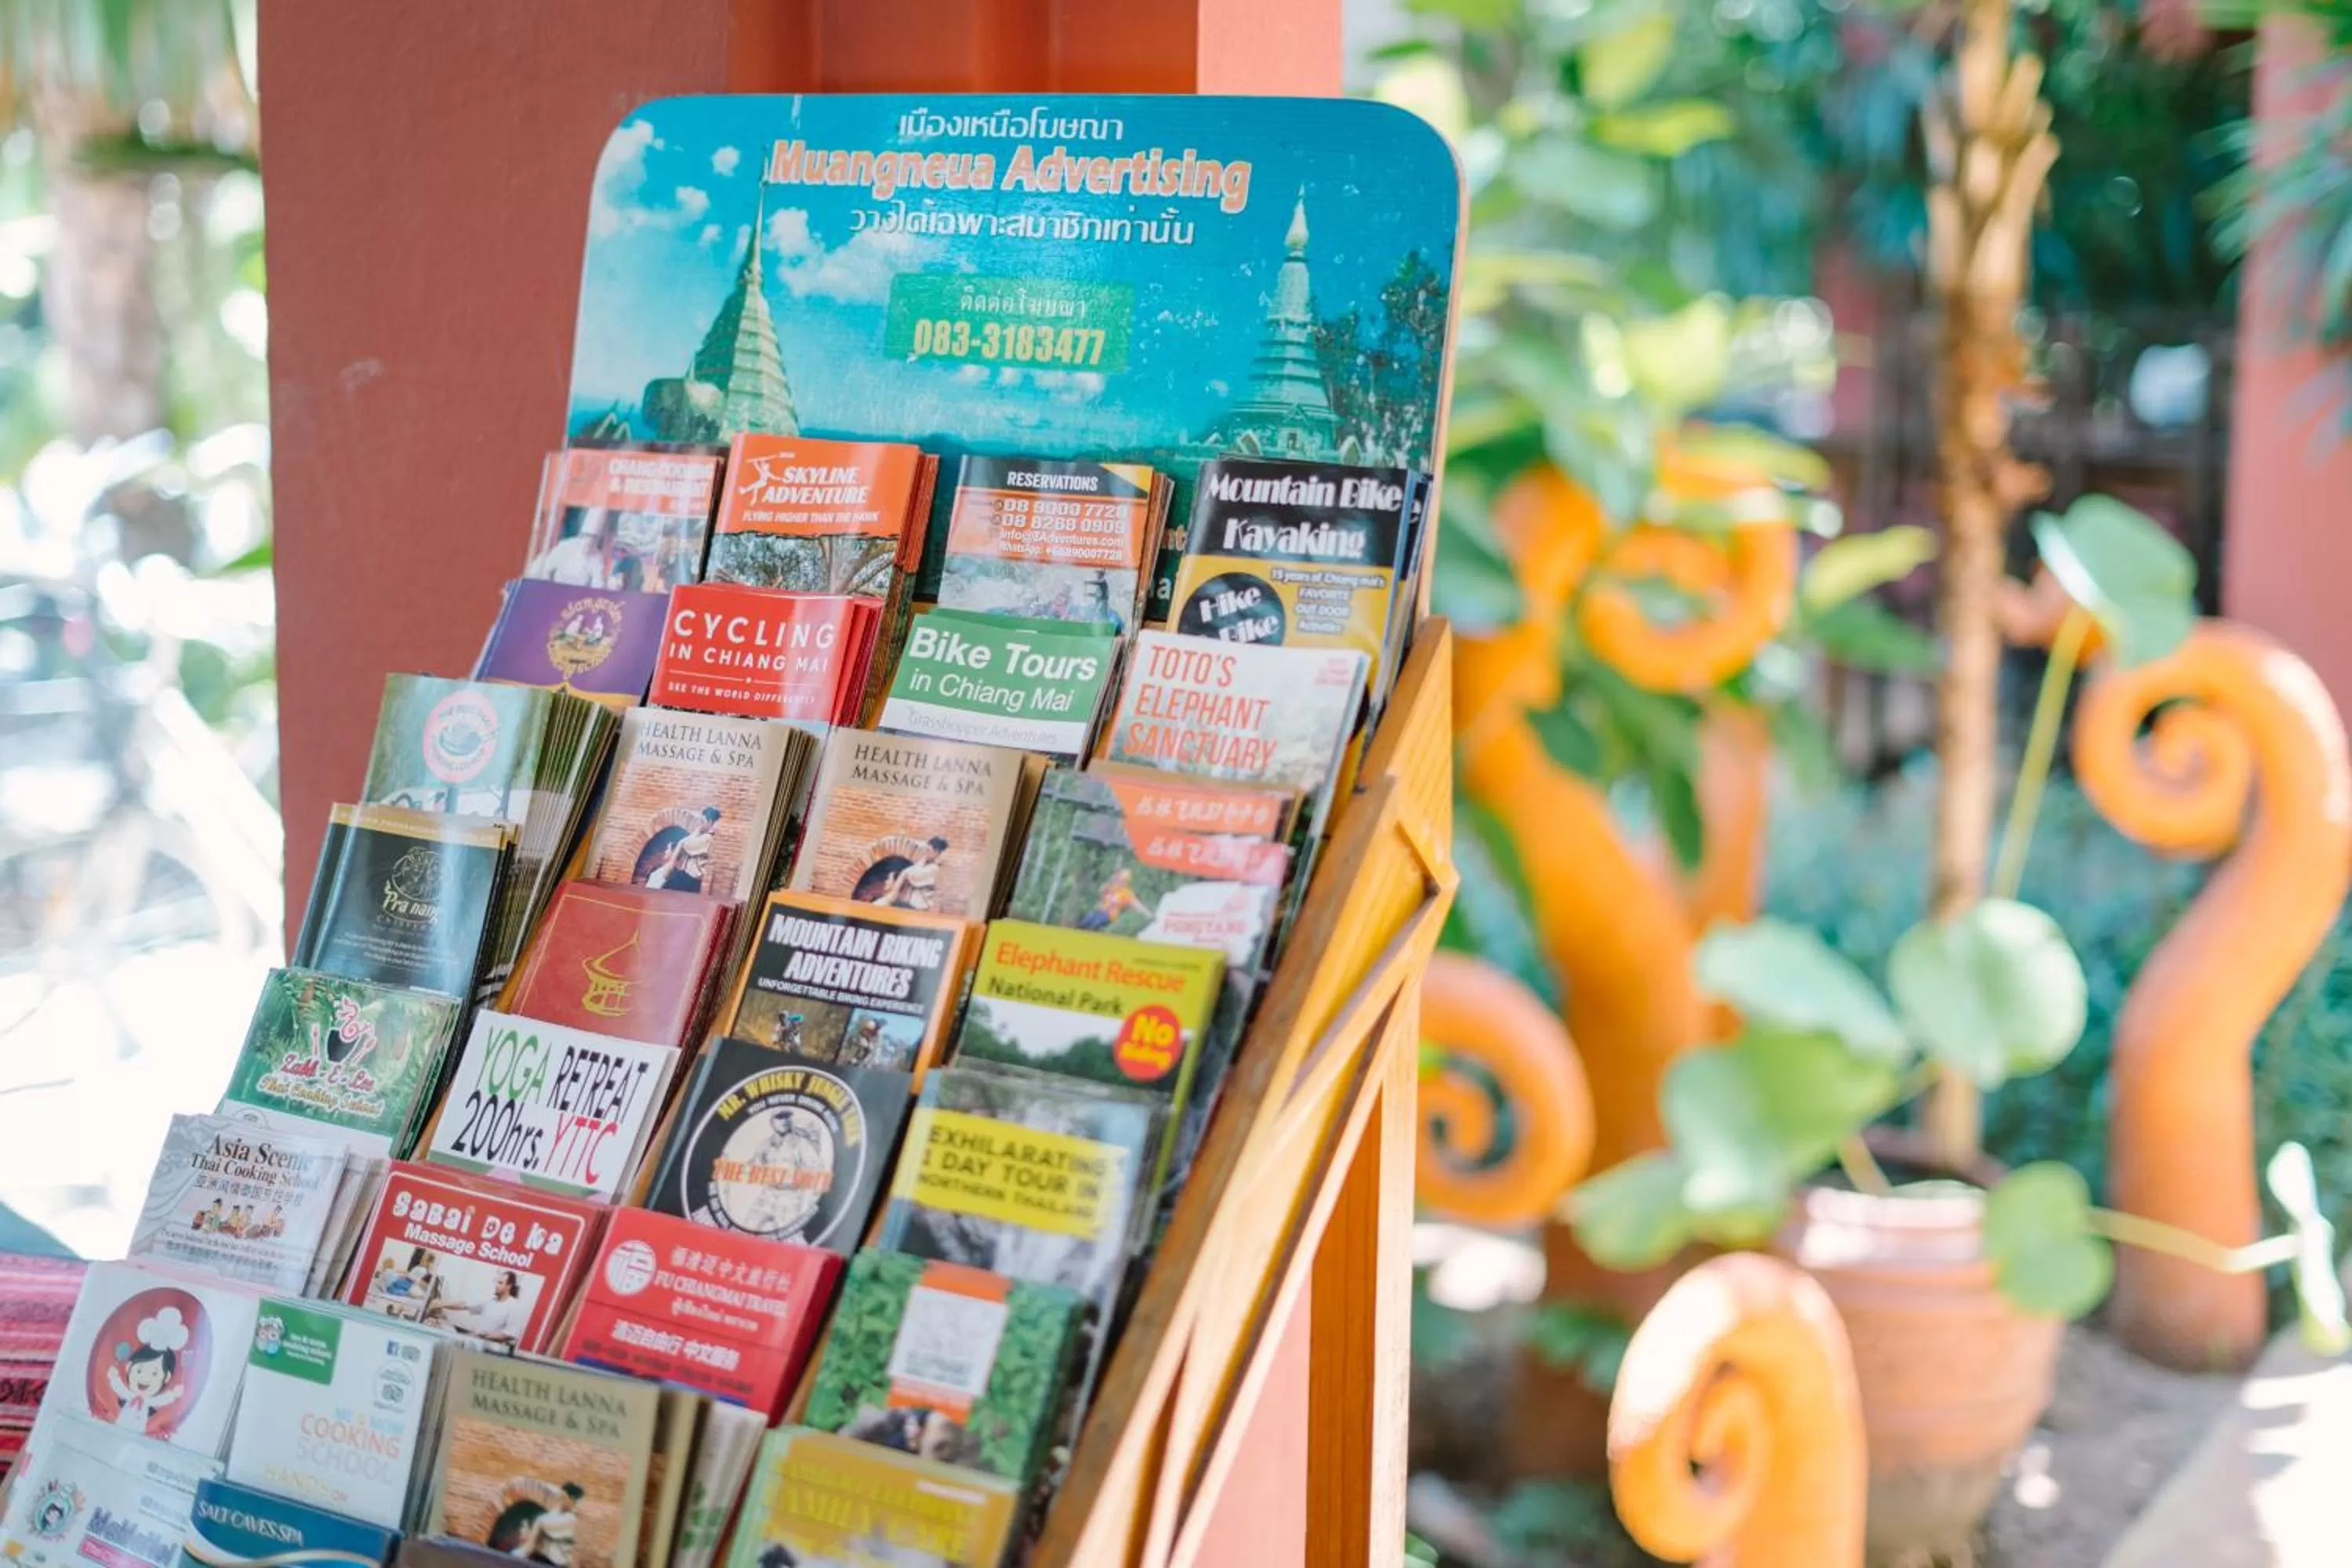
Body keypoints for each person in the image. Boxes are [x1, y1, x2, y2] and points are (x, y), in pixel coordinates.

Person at [107, 1343, 183, 1434]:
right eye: (139, 1371)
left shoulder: (148, 1401)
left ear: (167, 1377)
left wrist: (173, 1394)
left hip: (138, 1432)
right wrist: (114, 1379)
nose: (145, 1378)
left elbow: (161, 1400)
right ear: (129, 1367)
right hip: (119, 1427)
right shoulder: (129, 1395)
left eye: (154, 1374)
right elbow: (120, 1389)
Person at [534, 509, 619, 588]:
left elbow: (598, 584)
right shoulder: (564, 546)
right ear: (581, 536)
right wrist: (548, 587)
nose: (589, 543)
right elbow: (547, 569)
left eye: (593, 539)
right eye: (587, 537)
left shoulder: (596, 558)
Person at [445, 1269, 529, 1349]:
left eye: (500, 1283)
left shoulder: (514, 1306)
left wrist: (484, 1336)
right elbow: (464, 1306)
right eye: (497, 1282)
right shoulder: (490, 1302)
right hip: (476, 1344)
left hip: (492, 1350)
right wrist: (442, 1304)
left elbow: (509, 1335)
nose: (496, 1286)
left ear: (509, 1286)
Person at [646, 806, 720, 893]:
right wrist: (698, 831)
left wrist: (681, 842)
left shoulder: (707, 839)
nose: (700, 823)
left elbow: (685, 844)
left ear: (710, 822)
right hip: (686, 877)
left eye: (702, 821)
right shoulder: (702, 836)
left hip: (691, 880)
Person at [514, 1482, 583, 1566]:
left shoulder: (569, 1520)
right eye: (561, 1497)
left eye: (564, 1497)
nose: (561, 1500)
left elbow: (528, 1547)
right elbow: (528, 1548)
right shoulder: (559, 1518)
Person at [879, 837, 948, 911]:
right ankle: (890, 898)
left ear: (936, 852)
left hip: (920, 908)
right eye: (926, 850)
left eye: (928, 851)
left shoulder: (934, 868)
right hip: (910, 905)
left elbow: (913, 874)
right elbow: (913, 870)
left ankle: (891, 897)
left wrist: (894, 891)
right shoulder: (924, 864)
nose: (926, 853)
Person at [1079, 866, 1146, 931]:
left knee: (1094, 925)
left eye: (1123, 880)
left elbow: (1137, 904)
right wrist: (1104, 890)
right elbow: (1101, 894)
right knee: (1084, 922)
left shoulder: (1127, 893)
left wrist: (1147, 913)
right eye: (1120, 878)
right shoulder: (1111, 885)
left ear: (1126, 882)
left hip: (1108, 915)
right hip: (1099, 910)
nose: (1120, 880)